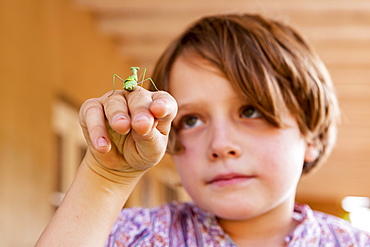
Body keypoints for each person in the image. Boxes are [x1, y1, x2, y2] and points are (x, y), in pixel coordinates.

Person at [36, 13, 370, 246]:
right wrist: (105, 178)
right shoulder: (132, 234)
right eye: (192, 120)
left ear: (310, 137)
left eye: (250, 111)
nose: (221, 145)